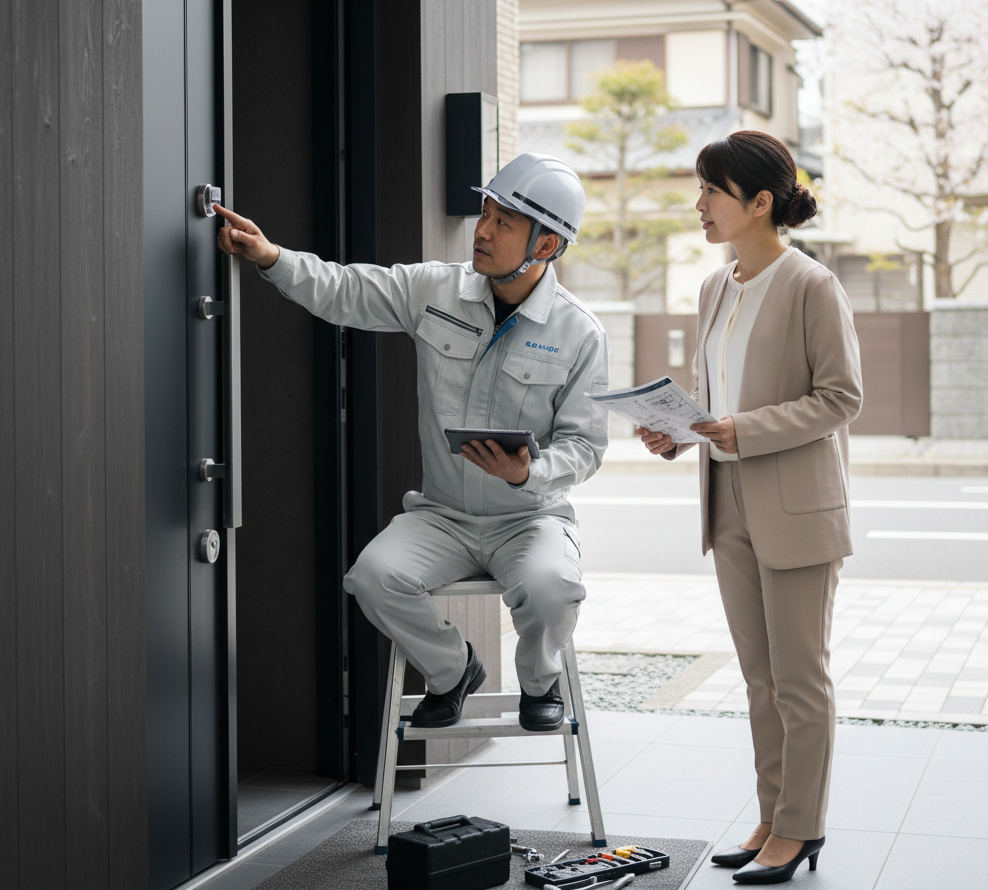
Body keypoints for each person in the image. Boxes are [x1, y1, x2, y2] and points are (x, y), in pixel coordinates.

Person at [215, 152, 610, 732]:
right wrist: (271, 258)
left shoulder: (580, 333)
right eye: (485, 212)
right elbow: (344, 289)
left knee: (553, 587)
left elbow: (586, 446)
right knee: (373, 577)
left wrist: (528, 473)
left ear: (546, 246)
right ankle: (453, 672)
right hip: (443, 516)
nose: (482, 229)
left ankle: (538, 681)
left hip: (529, 518)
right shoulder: (435, 289)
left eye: (504, 222)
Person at [640, 132, 862, 885]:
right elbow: (719, 399)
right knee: (758, 676)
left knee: (801, 678)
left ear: (760, 202)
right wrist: (677, 432)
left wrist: (745, 430)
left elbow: (841, 398)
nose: (698, 205)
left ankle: (801, 828)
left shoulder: (810, 285)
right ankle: (772, 815)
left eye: (711, 191)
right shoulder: (715, 287)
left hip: (796, 504)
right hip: (726, 497)